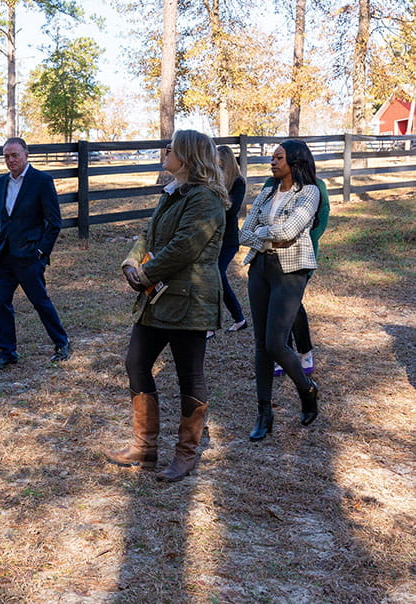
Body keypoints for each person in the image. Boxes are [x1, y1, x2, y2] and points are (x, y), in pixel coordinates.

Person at [104, 129, 227, 482]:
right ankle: (145, 447)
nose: (165, 151)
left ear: (186, 157)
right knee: (136, 362)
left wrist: (143, 274)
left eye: (171, 148)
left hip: (190, 301)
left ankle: (185, 454)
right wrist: (131, 262)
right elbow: (148, 234)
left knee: (190, 375)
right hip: (157, 298)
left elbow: (183, 247)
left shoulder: (205, 199)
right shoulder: (174, 193)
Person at [239, 139, 321, 441]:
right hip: (260, 268)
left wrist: (263, 233)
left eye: (278, 158)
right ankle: (264, 412)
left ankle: (307, 389)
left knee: (276, 342)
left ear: (295, 161)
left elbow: (291, 231)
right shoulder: (267, 192)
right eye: (272, 158)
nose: (272, 163)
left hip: (290, 272)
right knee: (261, 343)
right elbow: (243, 233)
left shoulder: (309, 193)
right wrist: (268, 236)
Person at [0, 137, 70, 372]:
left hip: (29, 255)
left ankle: (62, 343)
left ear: (26, 155)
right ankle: (7, 353)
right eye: (6, 156)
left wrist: (41, 251)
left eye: (15, 155)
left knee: (39, 301)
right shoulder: (0, 182)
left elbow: (54, 222)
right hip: (2, 255)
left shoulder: (41, 181)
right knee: (1, 303)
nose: (10, 160)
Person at [263, 151, 329, 376]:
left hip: (299, 255)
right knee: (274, 306)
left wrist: (297, 244)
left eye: (281, 157)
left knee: (293, 306)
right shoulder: (270, 184)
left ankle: (304, 351)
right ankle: (284, 353)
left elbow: (320, 222)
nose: (274, 162)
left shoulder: (316, 187)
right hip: (269, 255)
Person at [209, 145, 248, 338]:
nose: (217, 166)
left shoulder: (238, 182)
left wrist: (212, 206)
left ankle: (213, 324)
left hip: (229, 240)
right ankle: (239, 318)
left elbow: (231, 209)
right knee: (213, 277)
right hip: (211, 238)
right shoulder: (212, 181)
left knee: (216, 276)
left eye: (220, 163)